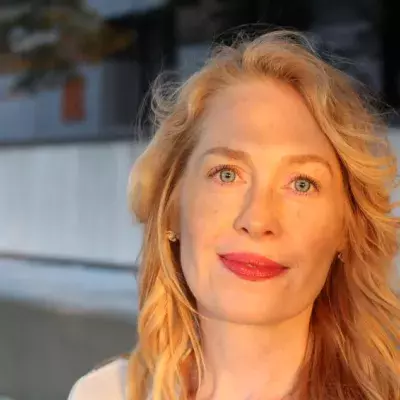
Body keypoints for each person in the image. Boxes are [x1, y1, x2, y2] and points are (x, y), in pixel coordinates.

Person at [68, 30, 400, 400]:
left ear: (347, 229)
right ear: (172, 209)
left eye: (302, 183)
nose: (257, 221)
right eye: (227, 174)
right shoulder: (104, 394)